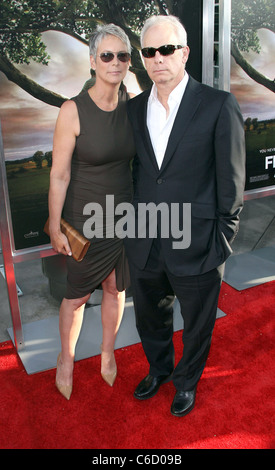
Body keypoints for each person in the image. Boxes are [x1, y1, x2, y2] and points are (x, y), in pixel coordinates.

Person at [125, 15, 246, 417]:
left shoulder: (216, 104)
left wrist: (222, 241)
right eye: (149, 52)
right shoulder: (135, 108)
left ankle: (186, 382)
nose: (158, 59)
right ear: (143, 59)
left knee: (197, 323)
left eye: (167, 49)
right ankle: (159, 370)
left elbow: (231, 180)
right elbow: (141, 173)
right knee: (149, 318)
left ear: (185, 53)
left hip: (197, 242)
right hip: (145, 240)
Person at [48, 24, 135, 400]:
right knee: (77, 295)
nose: (115, 63)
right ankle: (65, 359)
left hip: (124, 216)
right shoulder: (73, 110)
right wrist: (55, 225)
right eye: (107, 55)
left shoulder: (133, 105)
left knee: (116, 289)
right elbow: (60, 173)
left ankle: (107, 352)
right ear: (93, 61)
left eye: (123, 56)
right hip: (85, 218)